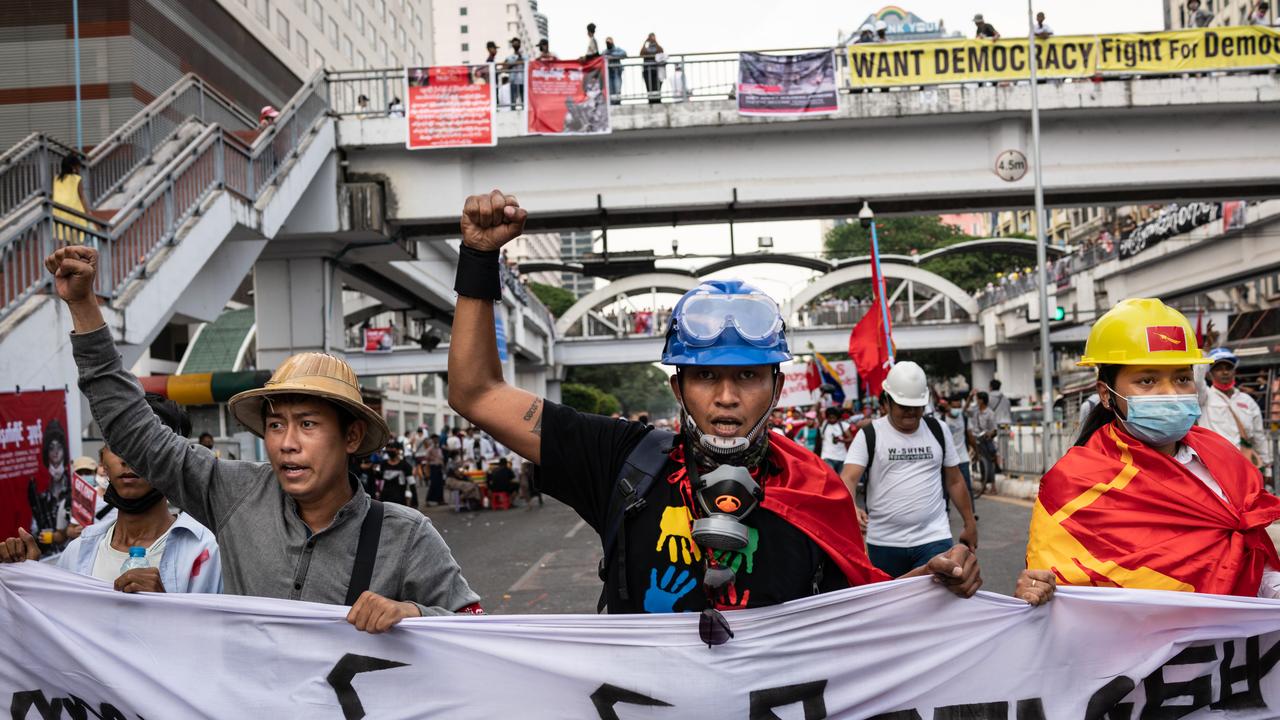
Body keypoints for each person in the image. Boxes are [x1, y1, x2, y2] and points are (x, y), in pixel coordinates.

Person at [446, 191, 1051, 615]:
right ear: (676, 387)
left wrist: (932, 581)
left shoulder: (818, 489)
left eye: (747, 377)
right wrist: (477, 259)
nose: (728, 397)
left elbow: (866, 610)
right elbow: (476, 393)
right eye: (707, 379)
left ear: (777, 386)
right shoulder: (623, 461)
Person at [42, 245, 481, 633]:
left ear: (351, 435)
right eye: (275, 425)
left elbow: (480, 629)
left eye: (308, 425)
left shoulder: (406, 535)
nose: (287, 443)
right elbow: (132, 429)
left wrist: (415, 616)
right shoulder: (234, 493)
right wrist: (83, 307)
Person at [1028, 298, 1280, 597]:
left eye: (1182, 378)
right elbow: (1060, 586)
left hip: (1237, 638)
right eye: (1147, 380)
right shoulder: (1074, 484)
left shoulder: (1223, 457)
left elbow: (1255, 559)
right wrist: (1040, 593)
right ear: (1106, 394)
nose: (1170, 393)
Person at [1, 395, 222, 595]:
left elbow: (215, 637)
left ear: (174, 456)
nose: (127, 458)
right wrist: (25, 577)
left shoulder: (205, 554)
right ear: (103, 460)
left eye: (145, 445)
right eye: (118, 444)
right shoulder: (78, 551)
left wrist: (164, 608)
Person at [840, 362, 979, 578]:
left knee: (934, 605)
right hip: (884, 542)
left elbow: (955, 481)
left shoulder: (938, 430)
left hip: (933, 538)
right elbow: (847, 478)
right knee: (890, 607)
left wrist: (969, 523)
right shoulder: (870, 434)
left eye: (917, 406)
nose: (911, 412)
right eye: (904, 406)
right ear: (887, 401)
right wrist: (852, 507)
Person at [1199, 347, 1271, 476]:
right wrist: (1204, 353)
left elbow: (1258, 435)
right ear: (1210, 374)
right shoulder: (1205, 397)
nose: (1224, 372)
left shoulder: (1247, 401)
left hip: (1244, 466)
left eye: (1228, 368)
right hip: (1214, 467)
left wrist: (1267, 466)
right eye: (1219, 368)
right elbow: (1197, 380)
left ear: (1234, 371)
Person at [52, 154, 101, 244]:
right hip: (75, 214)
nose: (79, 169)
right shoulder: (77, 179)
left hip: (59, 214)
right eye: (78, 166)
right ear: (73, 167)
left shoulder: (56, 179)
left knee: (67, 240)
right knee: (79, 239)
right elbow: (82, 197)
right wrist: (88, 213)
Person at [937, 394, 974, 511]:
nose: (957, 410)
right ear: (948, 406)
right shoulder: (941, 421)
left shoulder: (964, 418)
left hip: (962, 458)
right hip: (946, 461)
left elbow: (970, 435)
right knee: (945, 489)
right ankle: (945, 511)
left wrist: (976, 451)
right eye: (954, 407)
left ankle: (971, 512)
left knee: (967, 487)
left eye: (959, 407)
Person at [380, 441, 416, 507]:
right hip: (385, 500)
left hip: (400, 501)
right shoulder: (383, 464)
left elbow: (411, 483)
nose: (389, 450)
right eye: (388, 448)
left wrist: (414, 500)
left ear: (399, 450)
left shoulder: (405, 465)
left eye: (392, 447)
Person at [818, 407, 852, 473]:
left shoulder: (843, 425)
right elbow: (817, 413)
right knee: (831, 477)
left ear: (837, 417)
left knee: (842, 479)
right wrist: (819, 403)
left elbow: (850, 438)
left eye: (833, 417)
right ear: (827, 417)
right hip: (827, 456)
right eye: (830, 417)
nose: (831, 419)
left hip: (842, 457)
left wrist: (841, 440)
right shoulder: (824, 424)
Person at [639, 33, 665, 104]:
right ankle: (651, 101)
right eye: (650, 37)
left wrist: (656, 42)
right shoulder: (646, 49)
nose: (652, 39)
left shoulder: (658, 47)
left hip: (656, 70)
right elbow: (641, 54)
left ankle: (658, 100)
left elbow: (661, 51)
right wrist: (645, 42)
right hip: (647, 70)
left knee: (657, 86)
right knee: (649, 87)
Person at [504, 38, 527, 108]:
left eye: (517, 43)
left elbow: (529, 66)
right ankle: (513, 111)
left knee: (524, 100)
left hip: (523, 81)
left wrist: (521, 58)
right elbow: (505, 68)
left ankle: (524, 112)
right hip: (513, 81)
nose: (516, 45)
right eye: (514, 43)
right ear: (512, 45)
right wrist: (515, 62)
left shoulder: (525, 56)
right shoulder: (509, 57)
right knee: (513, 99)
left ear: (520, 44)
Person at [604, 37, 626, 103]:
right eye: (607, 42)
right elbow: (600, 57)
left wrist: (612, 55)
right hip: (608, 74)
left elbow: (624, 54)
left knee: (617, 89)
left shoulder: (617, 49)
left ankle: (618, 103)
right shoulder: (605, 52)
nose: (608, 43)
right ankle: (612, 105)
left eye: (609, 42)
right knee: (610, 91)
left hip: (617, 73)